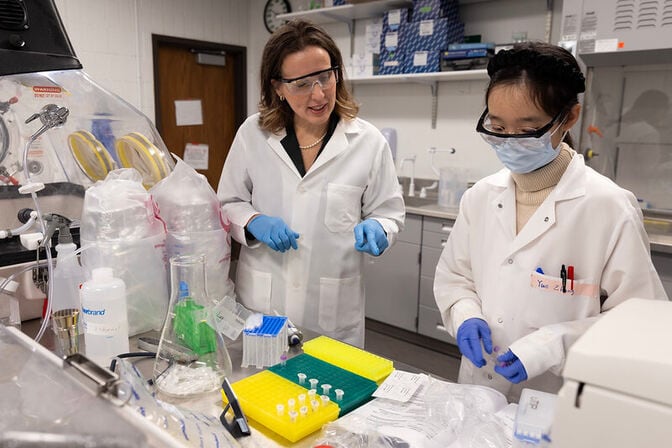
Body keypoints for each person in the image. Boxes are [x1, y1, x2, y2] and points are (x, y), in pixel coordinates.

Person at [433, 41, 668, 402]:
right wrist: (465, 314)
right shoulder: (480, 197)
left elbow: (639, 322)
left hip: (558, 399)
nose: (509, 142)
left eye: (527, 129)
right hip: (478, 390)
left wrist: (551, 346)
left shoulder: (608, 207)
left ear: (569, 118)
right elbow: (455, 277)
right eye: (497, 126)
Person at [217, 19, 404, 348]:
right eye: (302, 84)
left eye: (324, 77)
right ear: (278, 87)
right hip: (264, 303)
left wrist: (379, 228)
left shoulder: (369, 142)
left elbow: (388, 212)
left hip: (332, 313)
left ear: (337, 74)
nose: (318, 94)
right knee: (263, 390)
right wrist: (253, 221)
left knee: (330, 394)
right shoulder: (253, 134)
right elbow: (228, 202)